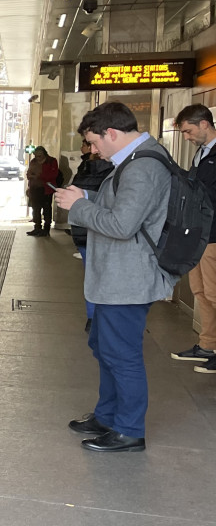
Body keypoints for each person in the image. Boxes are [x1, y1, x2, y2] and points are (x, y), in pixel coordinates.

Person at [55, 101, 177, 452]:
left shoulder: (142, 167)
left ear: (111, 133)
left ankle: (129, 430)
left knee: (121, 355)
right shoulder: (135, 161)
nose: (93, 151)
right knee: (105, 347)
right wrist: (87, 196)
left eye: (95, 142)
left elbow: (123, 225)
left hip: (128, 279)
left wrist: (78, 207)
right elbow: (122, 207)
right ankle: (107, 415)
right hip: (115, 278)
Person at [169, 103, 216, 371]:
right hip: (198, 235)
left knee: (214, 292)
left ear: (204, 124)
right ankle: (208, 345)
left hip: (213, 236)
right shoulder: (202, 154)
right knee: (201, 292)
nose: (186, 137)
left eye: (188, 131)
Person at [68, 142, 113, 331]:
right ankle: (105, 317)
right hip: (104, 233)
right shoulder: (113, 174)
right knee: (109, 276)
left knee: (91, 276)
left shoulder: (83, 170)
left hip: (82, 232)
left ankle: (91, 318)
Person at [25, 145, 60, 236]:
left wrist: (39, 176)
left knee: (47, 209)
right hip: (34, 188)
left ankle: (46, 229)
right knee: (35, 209)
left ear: (44, 154)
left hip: (46, 189)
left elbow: (53, 174)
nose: (38, 158)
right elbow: (29, 174)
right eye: (36, 156)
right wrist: (30, 183)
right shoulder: (33, 162)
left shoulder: (52, 161)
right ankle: (37, 228)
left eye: (40, 156)